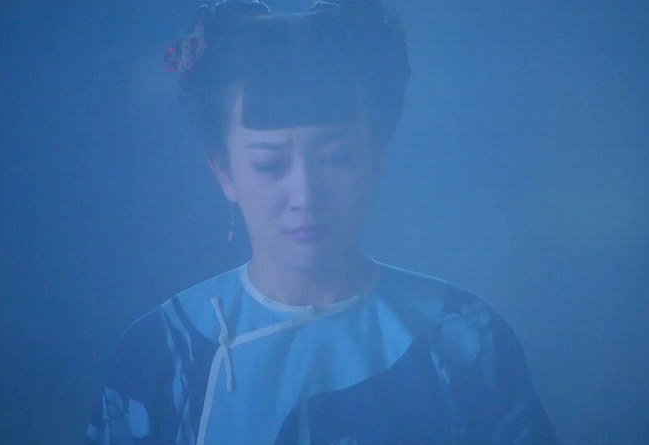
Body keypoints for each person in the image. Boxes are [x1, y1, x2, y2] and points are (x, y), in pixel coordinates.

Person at [87, 1, 556, 444]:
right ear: (224, 173)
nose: (306, 196)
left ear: (376, 159)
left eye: (336, 158)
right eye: (270, 165)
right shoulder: (162, 353)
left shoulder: (462, 337)